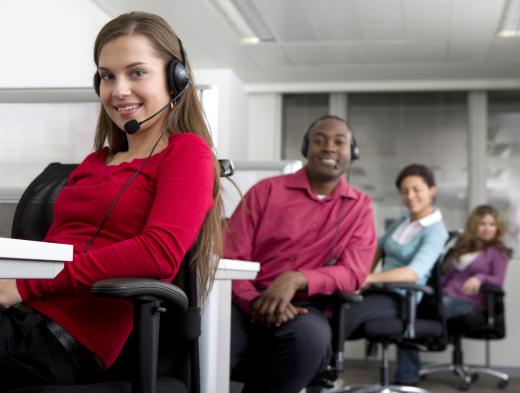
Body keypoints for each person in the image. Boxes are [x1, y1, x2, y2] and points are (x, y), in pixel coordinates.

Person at [0, 11, 221, 389]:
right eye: (107, 76)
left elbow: (159, 252)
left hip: (63, 343)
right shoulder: (94, 162)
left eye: (136, 72)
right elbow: (54, 253)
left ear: (176, 78)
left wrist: (22, 287)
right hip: (21, 320)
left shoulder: (187, 153)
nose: (118, 90)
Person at [224, 115, 377, 393]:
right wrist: (255, 301)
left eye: (339, 142)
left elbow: (354, 272)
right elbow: (232, 259)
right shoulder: (266, 191)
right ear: (307, 149)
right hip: (245, 302)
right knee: (206, 342)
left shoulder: (359, 207)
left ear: (351, 153)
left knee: (310, 340)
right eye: (319, 140)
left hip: (307, 310)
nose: (329, 147)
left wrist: (297, 279)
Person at [342, 164, 449, 385]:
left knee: (345, 316)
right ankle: (321, 373)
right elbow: (378, 247)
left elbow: (414, 273)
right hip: (380, 291)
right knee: (336, 305)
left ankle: (322, 376)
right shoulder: (403, 220)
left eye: (416, 189)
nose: (410, 196)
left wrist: (368, 279)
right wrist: (361, 276)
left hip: (402, 297)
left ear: (432, 190)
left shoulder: (436, 230)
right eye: (404, 190)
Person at [441, 204, 510, 319]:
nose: (487, 229)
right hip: (447, 293)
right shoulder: (463, 246)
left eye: (492, 225)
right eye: (482, 224)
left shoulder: (497, 250)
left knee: (440, 307)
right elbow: (448, 275)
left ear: (497, 227)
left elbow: (499, 280)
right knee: (420, 304)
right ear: (474, 226)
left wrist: (480, 277)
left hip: (470, 301)